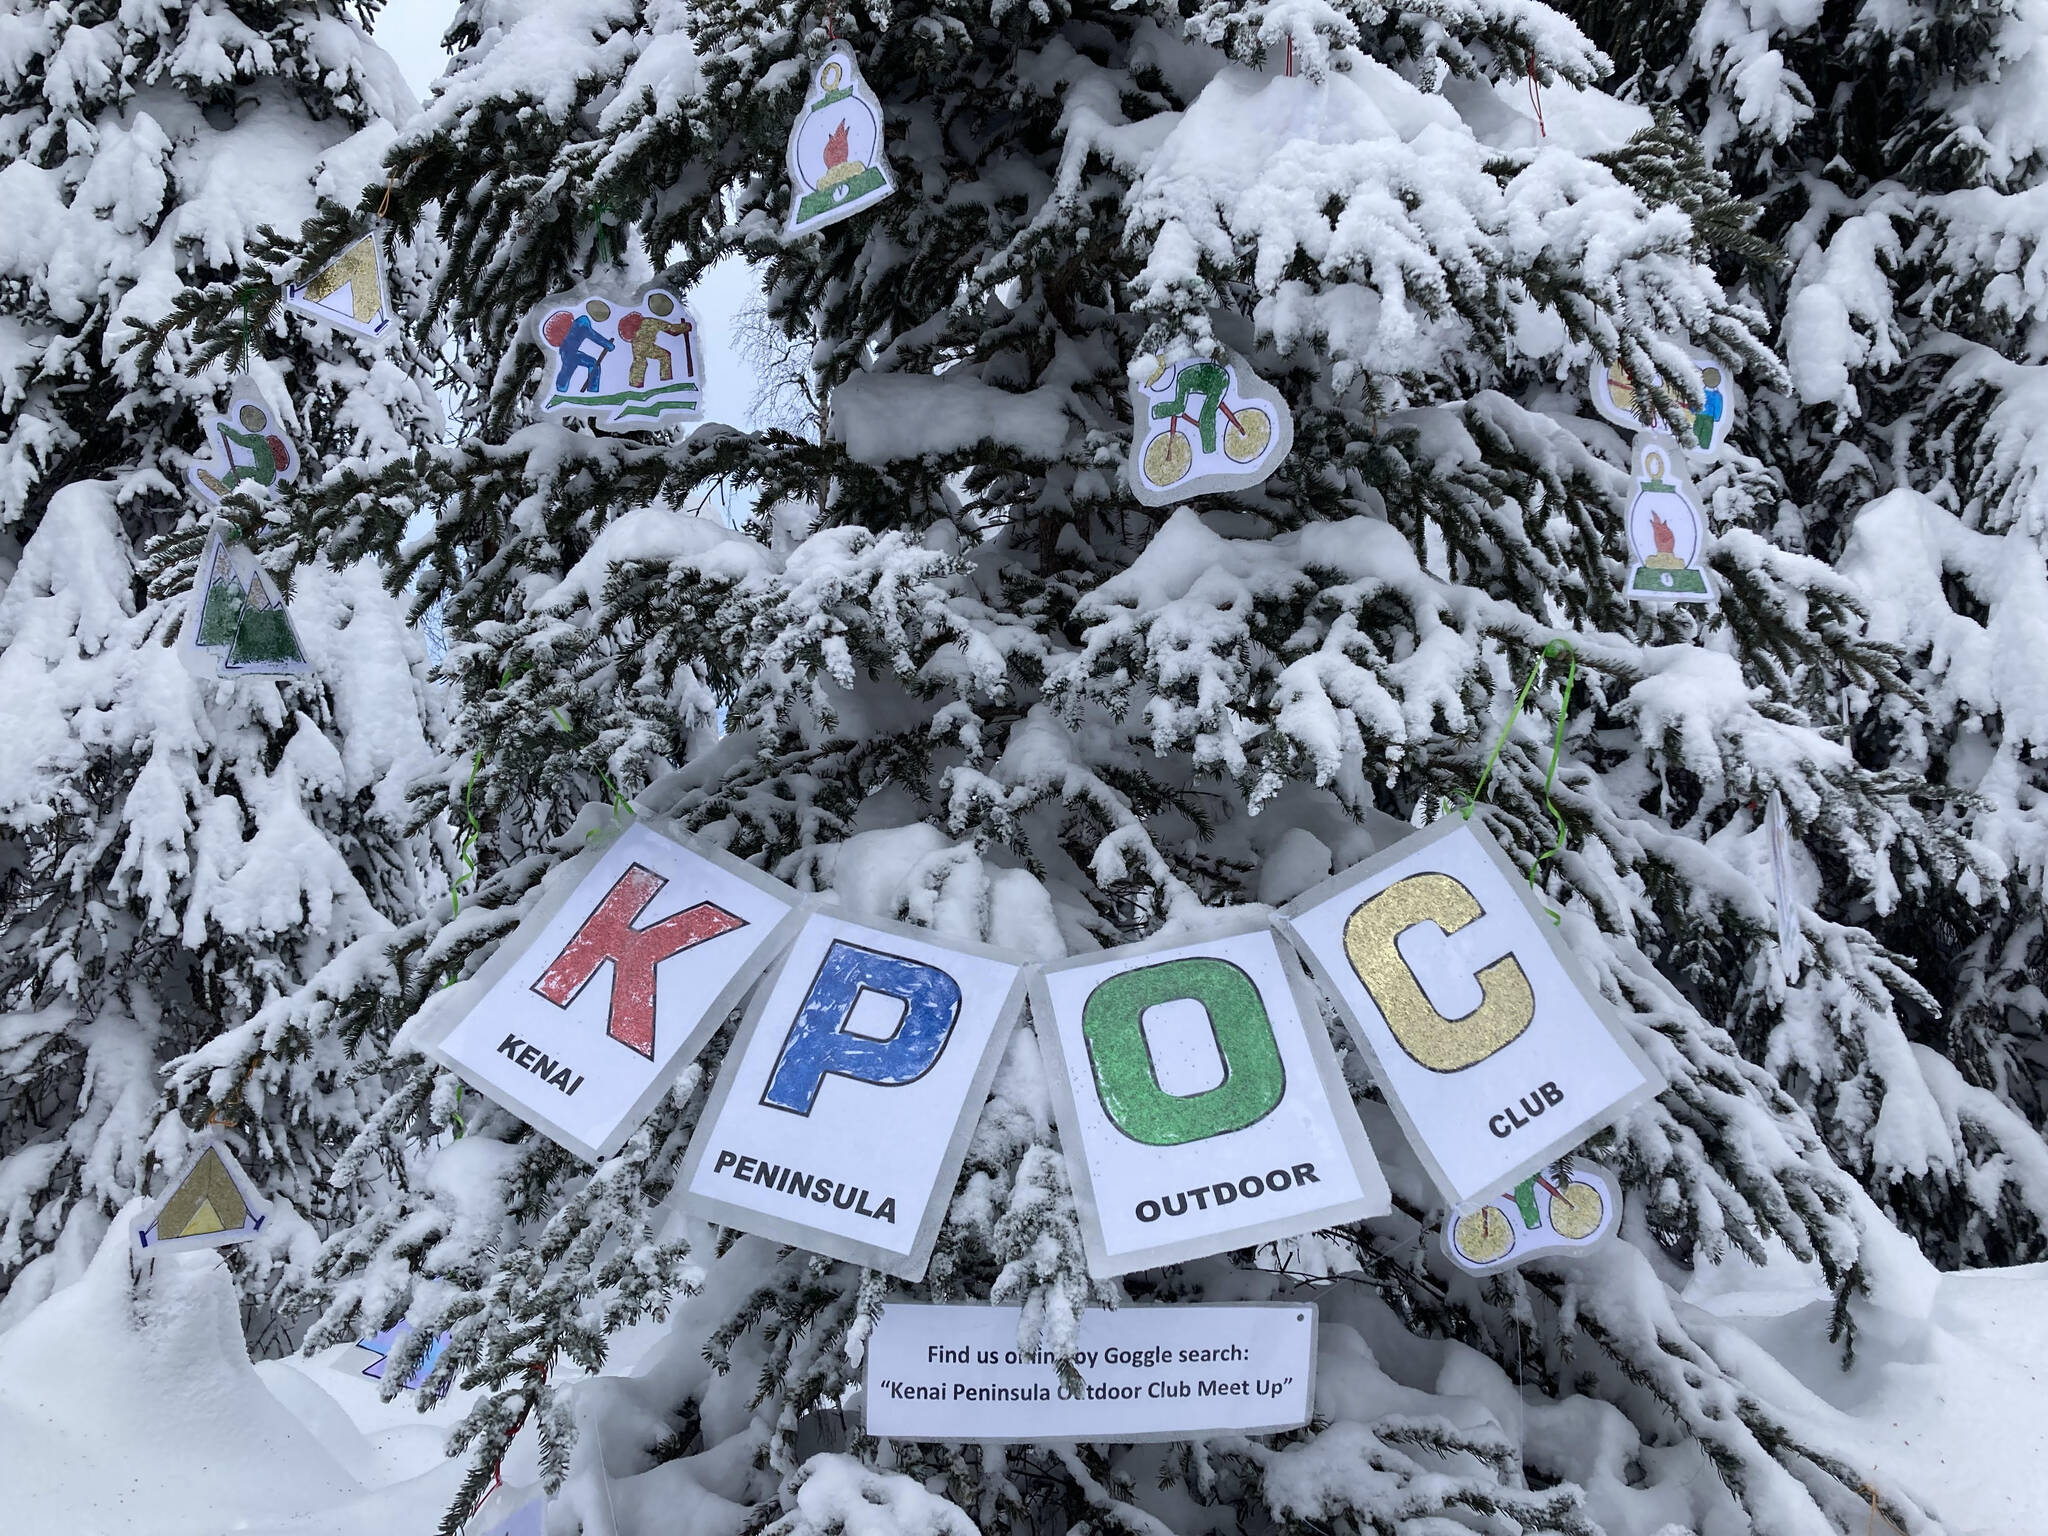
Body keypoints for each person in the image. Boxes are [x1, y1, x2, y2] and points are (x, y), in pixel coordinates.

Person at [194, 402, 292, 498]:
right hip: (269, 475)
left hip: (263, 475)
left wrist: (225, 429)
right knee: (239, 472)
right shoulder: (266, 438)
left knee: (237, 471)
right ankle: (228, 488)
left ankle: (224, 488)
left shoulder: (258, 440)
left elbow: (240, 440)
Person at [619, 291, 694, 388]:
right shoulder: (652, 321)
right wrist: (686, 327)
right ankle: (665, 382)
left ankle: (635, 385)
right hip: (645, 345)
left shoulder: (645, 320)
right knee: (662, 357)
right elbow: (672, 329)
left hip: (637, 345)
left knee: (641, 361)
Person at [543, 301, 615, 394]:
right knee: (585, 365)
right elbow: (595, 336)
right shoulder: (582, 326)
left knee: (570, 370)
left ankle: (562, 389)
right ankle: (590, 389)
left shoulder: (579, 323)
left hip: (567, 352)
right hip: (569, 353)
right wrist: (609, 346)